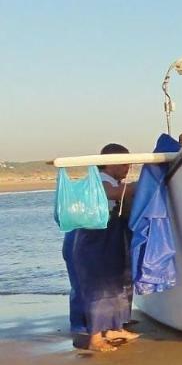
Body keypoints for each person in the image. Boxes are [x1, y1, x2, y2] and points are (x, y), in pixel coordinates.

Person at [65, 144, 139, 351]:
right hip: (94, 241)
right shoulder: (97, 180)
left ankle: (114, 327)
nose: (128, 167)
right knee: (98, 288)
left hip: (112, 237)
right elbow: (112, 194)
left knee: (117, 284)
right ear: (109, 162)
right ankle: (95, 338)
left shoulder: (116, 181)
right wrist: (140, 185)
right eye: (124, 163)